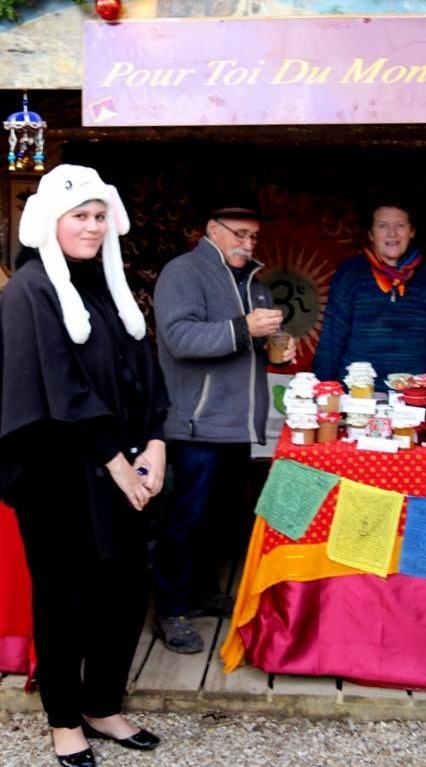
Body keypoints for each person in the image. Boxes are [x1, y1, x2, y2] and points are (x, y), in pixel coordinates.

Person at [0, 165, 169, 767]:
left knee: (123, 591)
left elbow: (143, 373)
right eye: (81, 216)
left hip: (124, 468)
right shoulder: (30, 291)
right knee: (66, 596)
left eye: (100, 216)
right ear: (52, 221)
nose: (93, 227)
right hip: (58, 476)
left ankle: (103, 704)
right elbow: (57, 387)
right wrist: (118, 465)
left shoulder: (108, 286)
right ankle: (64, 719)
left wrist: (155, 444)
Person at [153, 191, 296, 654]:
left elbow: (248, 343)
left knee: (219, 517)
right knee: (185, 519)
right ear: (211, 229)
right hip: (195, 422)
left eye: (254, 236)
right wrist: (244, 329)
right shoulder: (184, 272)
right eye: (240, 234)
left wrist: (280, 346)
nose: (249, 243)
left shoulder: (254, 281)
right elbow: (179, 338)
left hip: (237, 422)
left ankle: (201, 592)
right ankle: (172, 609)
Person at [313, 199, 426, 390]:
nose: (392, 234)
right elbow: (332, 337)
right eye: (383, 226)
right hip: (357, 393)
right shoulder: (351, 273)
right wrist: (321, 390)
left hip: (411, 394)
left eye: (400, 226)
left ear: (411, 231)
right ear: (371, 234)